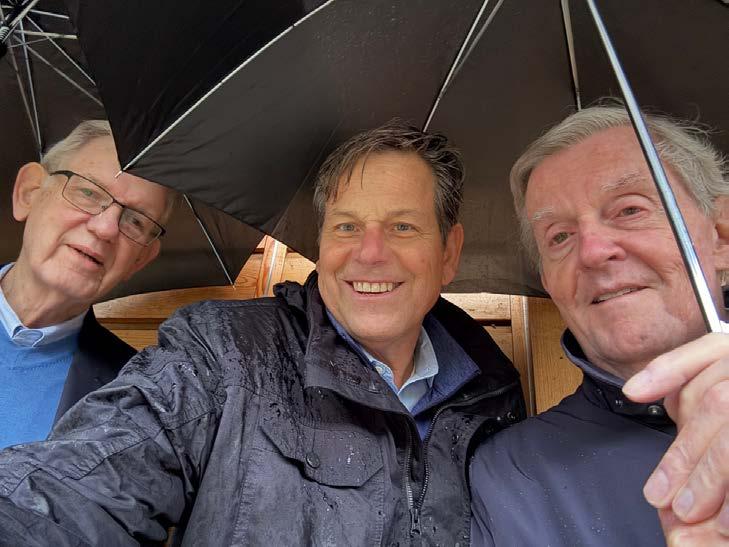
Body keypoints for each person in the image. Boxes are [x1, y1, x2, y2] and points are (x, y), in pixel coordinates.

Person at [0, 121, 525, 545]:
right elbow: (78, 487)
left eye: (402, 227)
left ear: (449, 252)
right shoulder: (223, 353)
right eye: (346, 226)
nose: (370, 253)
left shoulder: (493, 395)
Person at [470, 105, 729, 546]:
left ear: (720, 234)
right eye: (559, 236)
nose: (591, 251)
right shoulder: (512, 475)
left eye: (629, 209)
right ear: (549, 282)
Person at [0, 120, 174, 449]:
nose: (106, 228)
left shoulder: (136, 401)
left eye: (135, 221)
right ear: (29, 193)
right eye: (89, 192)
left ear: (140, 259)